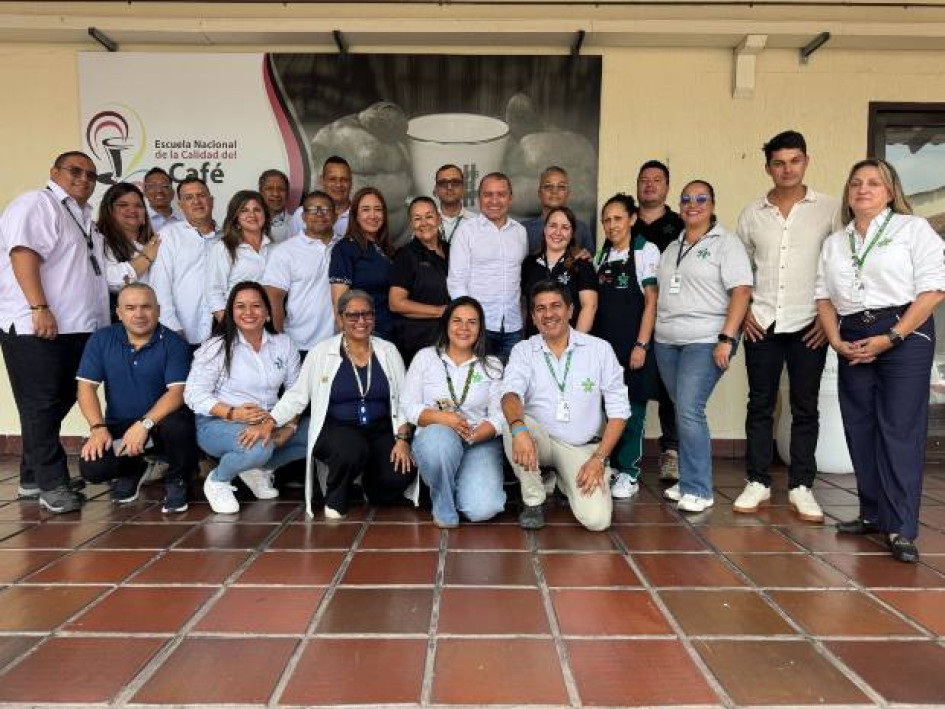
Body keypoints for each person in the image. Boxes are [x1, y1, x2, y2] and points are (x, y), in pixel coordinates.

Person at [815, 158, 945, 564]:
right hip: (852, 333)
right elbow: (823, 295)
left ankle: (901, 527)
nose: (863, 189)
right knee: (860, 426)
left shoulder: (913, 230)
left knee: (899, 431)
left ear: (891, 192)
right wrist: (836, 339)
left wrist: (891, 337)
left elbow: (933, 290)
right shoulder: (837, 241)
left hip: (903, 332)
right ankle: (872, 512)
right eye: (856, 183)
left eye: (874, 183)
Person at [734, 130, 841, 522]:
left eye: (794, 161)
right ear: (768, 168)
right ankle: (758, 481)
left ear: (806, 162)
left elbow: (840, 267)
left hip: (809, 323)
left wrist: (829, 320)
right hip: (762, 320)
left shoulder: (829, 209)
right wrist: (743, 312)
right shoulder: (751, 214)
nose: (787, 169)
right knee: (760, 404)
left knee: (804, 406)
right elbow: (740, 271)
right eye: (779, 163)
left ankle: (801, 486)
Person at [0, 151, 110, 513]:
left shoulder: (84, 217)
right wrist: (39, 307)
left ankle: (33, 477)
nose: (83, 179)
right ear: (54, 172)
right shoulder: (37, 203)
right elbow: (23, 254)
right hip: (39, 327)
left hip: (75, 328)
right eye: (75, 171)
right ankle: (52, 483)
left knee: (57, 401)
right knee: (41, 405)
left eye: (91, 175)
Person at [261, 290, 416, 519]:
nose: (361, 321)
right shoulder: (322, 352)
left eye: (367, 314)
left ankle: (368, 487)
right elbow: (298, 395)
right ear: (340, 318)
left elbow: (405, 399)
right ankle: (336, 496)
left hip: (380, 428)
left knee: (401, 472)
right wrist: (271, 420)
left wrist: (403, 440)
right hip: (336, 428)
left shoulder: (388, 351)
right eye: (353, 316)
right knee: (352, 448)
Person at [656, 180, 753, 513]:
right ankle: (687, 481)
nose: (692, 205)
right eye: (685, 200)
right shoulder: (674, 245)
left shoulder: (727, 244)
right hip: (668, 341)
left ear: (712, 204)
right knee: (682, 408)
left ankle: (700, 488)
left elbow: (741, 292)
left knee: (688, 409)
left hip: (707, 339)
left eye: (700, 199)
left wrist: (727, 338)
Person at [502, 281, 629, 531]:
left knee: (597, 521)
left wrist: (599, 458)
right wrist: (518, 428)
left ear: (570, 311)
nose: (548, 314)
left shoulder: (599, 350)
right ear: (533, 316)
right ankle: (533, 500)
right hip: (540, 442)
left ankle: (560, 479)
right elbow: (509, 395)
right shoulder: (524, 350)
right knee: (514, 424)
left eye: (556, 306)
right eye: (540, 308)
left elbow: (619, 411)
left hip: (582, 447)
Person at [184, 282, 307, 515]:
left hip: (271, 420)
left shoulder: (284, 344)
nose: (248, 312)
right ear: (231, 312)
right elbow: (193, 394)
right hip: (219, 423)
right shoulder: (216, 347)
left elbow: (296, 391)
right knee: (260, 445)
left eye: (256, 306)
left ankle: (256, 469)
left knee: (317, 433)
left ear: (268, 312)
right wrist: (233, 413)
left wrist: (290, 425)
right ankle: (218, 480)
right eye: (240, 306)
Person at [76, 283, 196, 513]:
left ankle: (178, 478)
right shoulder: (101, 340)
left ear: (158, 310)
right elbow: (86, 388)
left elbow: (177, 393)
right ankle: (135, 467)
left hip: (160, 428)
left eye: (146, 307)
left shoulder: (174, 343)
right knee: (93, 467)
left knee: (179, 425)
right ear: (119, 313)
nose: (139, 314)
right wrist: (98, 428)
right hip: (121, 428)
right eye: (130, 308)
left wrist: (144, 424)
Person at [403, 297, 506, 527]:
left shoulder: (492, 365)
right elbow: (408, 406)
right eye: (457, 321)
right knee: (440, 443)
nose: (464, 328)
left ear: (480, 329)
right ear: (446, 324)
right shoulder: (425, 358)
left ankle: (452, 478)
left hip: (478, 440)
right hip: (436, 436)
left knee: (483, 509)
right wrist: (443, 418)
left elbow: (500, 414)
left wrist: (483, 431)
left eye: (472, 322)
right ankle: (444, 505)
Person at [592, 194, 660, 499]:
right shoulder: (601, 256)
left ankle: (630, 473)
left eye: (618, 218)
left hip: (633, 346)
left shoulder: (646, 251)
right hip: (605, 348)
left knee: (632, 411)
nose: (611, 225)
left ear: (632, 219)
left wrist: (641, 344)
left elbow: (651, 302)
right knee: (609, 410)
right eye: (606, 220)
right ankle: (615, 467)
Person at [633, 160, 686, 482]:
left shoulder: (680, 224)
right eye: (644, 180)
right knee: (632, 387)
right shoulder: (625, 223)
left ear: (667, 186)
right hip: (633, 319)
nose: (650, 185)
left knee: (671, 390)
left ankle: (672, 452)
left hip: (670, 318)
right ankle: (627, 453)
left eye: (657, 180)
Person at [447, 172, 529, 362]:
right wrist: (468, 322)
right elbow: (456, 282)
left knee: (510, 386)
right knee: (477, 385)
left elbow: (520, 275)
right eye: (488, 194)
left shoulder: (520, 232)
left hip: (513, 327)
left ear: (510, 198)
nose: (494, 200)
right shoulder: (466, 231)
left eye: (501, 194)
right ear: (478, 198)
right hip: (479, 328)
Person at [263, 190, 336, 359]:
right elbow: (274, 300)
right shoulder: (285, 251)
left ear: (335, 216)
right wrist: (278, 342)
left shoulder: (345, 248)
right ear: (303, 216)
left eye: (325, 209)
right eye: (313, 209)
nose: (319, 214)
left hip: (338, 342)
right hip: (298, 344)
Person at [149, 176, 220, 347]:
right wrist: (172, 329)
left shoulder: (227, 237)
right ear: (180, 205)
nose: (196, 201)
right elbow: (160, 286)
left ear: (211, 200)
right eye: (189, 197)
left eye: (201, 195)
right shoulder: (168, 235)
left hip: (220, 334)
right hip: (181, 334)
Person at [389, 196, 450, 364]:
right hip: (418, 343)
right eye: (417, 218)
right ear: (411, 223)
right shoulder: (405, 256)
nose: (424, 222)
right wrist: (440, 311)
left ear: (438, 218)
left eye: (429, 216)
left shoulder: (451, 250)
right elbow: (396, 302)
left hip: (450, 341)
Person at [520, 206, 597, 338]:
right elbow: (523, 305)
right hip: (535, 345)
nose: (558, 232)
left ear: (572, 233)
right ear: (544, 229)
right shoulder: (529, 264)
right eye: (553, 226)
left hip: (568, 345)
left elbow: (590, 306)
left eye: (565, 227)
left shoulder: (581, 265)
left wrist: (574, 344)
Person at [329, 187, 396, 340]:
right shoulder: (345, 248)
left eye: (378, 209)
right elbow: (339, 302)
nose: (373, 215)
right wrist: (350, 341)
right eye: (366, 209)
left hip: (391, 334)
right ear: (356, 215)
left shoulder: (388, 250)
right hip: (363, 335)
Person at [96, 183, 161, 319]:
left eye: (138, 206)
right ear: (109, 211)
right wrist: (146, 258)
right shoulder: (99, 242)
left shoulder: (155, 244)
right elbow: (109, 280)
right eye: (123, 205)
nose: (132, 210)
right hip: (119, 325)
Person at [206, 190, 271, 322]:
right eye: (244, 210)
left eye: (257, 209)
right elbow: (214, 293)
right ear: (236, 217)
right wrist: (229, 327)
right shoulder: (223, 248)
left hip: (268, 323)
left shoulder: (274, 248)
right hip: (236, 323)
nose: (252, 215)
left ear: (265, 214)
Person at [522, 166, 595, 254]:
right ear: (539, 193)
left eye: (561, 187)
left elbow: (590, 262)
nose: (554, 191)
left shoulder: (581, 228)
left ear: (568, 194)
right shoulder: (524, 230)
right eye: (548, 186)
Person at [291, 156, 352, 239]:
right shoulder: (301, 214)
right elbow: (290, 248)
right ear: (322, 180)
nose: (338, 184)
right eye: (332, 179)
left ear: (351, 182)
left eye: (344, 179)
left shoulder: (361, 216)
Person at [434, 164, 474, 244]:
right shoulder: (425, 222)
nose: (449, 187)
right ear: (436, 189)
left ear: (463, 188)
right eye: (443, 183)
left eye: (455, 182)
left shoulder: (477, 222)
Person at [143, 167, 184, 234]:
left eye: (165, 186)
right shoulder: (139, 220)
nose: (159, 191)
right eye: (153, 186)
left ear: (172, 193)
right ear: (145, 192)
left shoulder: (185, 220)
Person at [258, 169, 292, 243]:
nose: (276, 194)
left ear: (288, 193)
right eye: (269, 189)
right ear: (260, 192)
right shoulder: (249, 223)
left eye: (281, 189)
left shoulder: (297, 225)